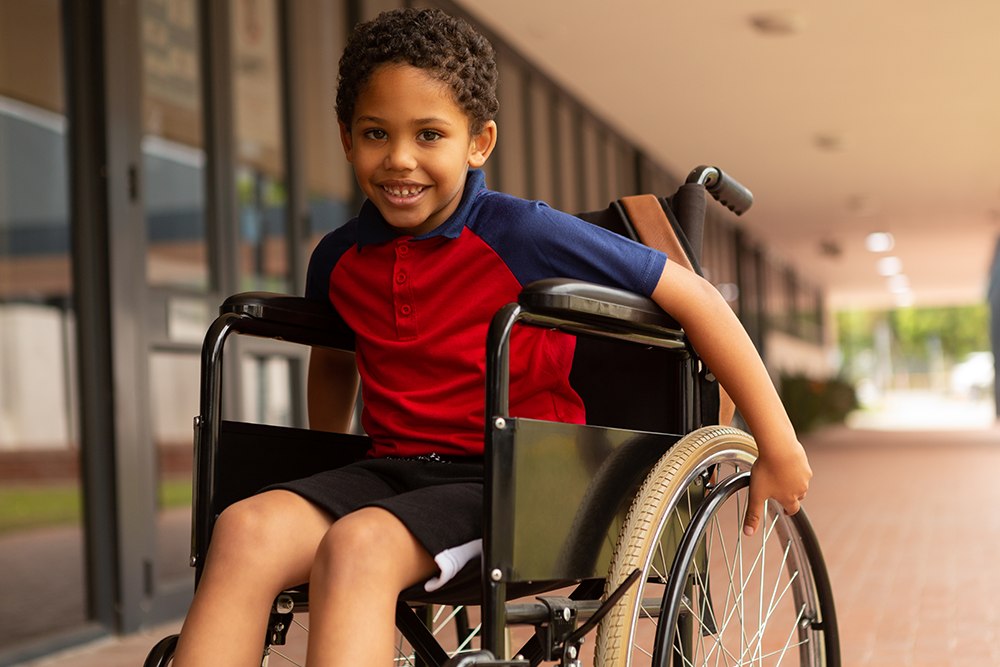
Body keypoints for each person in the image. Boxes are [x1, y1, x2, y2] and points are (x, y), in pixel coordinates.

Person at [172, 7, 812, 666]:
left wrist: (778, 439)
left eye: (428, 135)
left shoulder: (522, 233)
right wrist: (327, 473)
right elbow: (335, 362)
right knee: (244, 528)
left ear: (478, 143)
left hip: (517, 483)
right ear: (345, 137)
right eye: (375, 133)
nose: (399, 160)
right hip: (389, 470)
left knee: (357, 545)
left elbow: (694, 296)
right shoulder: (338, 257)